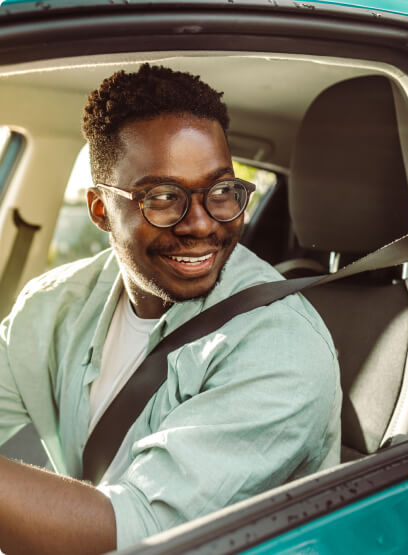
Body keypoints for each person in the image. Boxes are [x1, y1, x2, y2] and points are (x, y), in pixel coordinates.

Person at [0, 63, 341, 554]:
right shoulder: (52, 306)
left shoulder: (282, 347)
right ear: (100, 211)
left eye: (222, 191)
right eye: (162, 197)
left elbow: (134, 536)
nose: (202, 225)